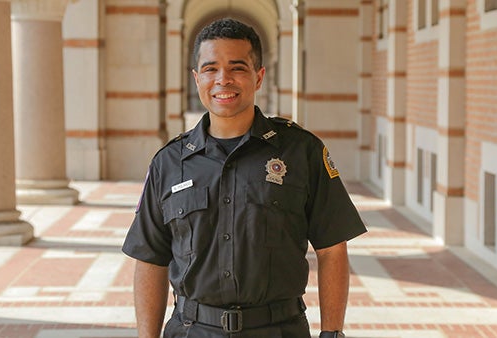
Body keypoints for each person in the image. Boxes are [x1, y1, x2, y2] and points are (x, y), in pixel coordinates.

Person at [122, 18, 367, 338]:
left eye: (237, 67)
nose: (223, 79)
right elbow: (151, 259)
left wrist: (332, 334)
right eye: (210, 69)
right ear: (197, 79)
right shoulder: (169, 162)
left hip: (279, 330)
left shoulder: (301, 152)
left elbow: (332, 249)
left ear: (259, 76)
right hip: (191, 331)